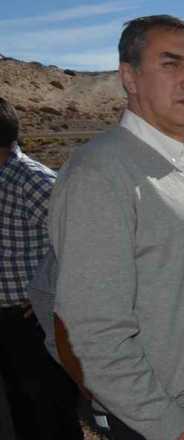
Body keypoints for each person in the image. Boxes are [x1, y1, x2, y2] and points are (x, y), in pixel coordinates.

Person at [49, 15, 184, 440]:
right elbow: (91, 331)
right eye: (171, 64)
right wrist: (167, 426)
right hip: (176, 417)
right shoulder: (100, 173)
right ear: (128, 77)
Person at [0, 96, 83, 439]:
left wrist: (49, 297)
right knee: (20, 413)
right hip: (7, 323)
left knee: (50, 415)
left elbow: (82, 243)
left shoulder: (31, 180)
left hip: (32, 323)